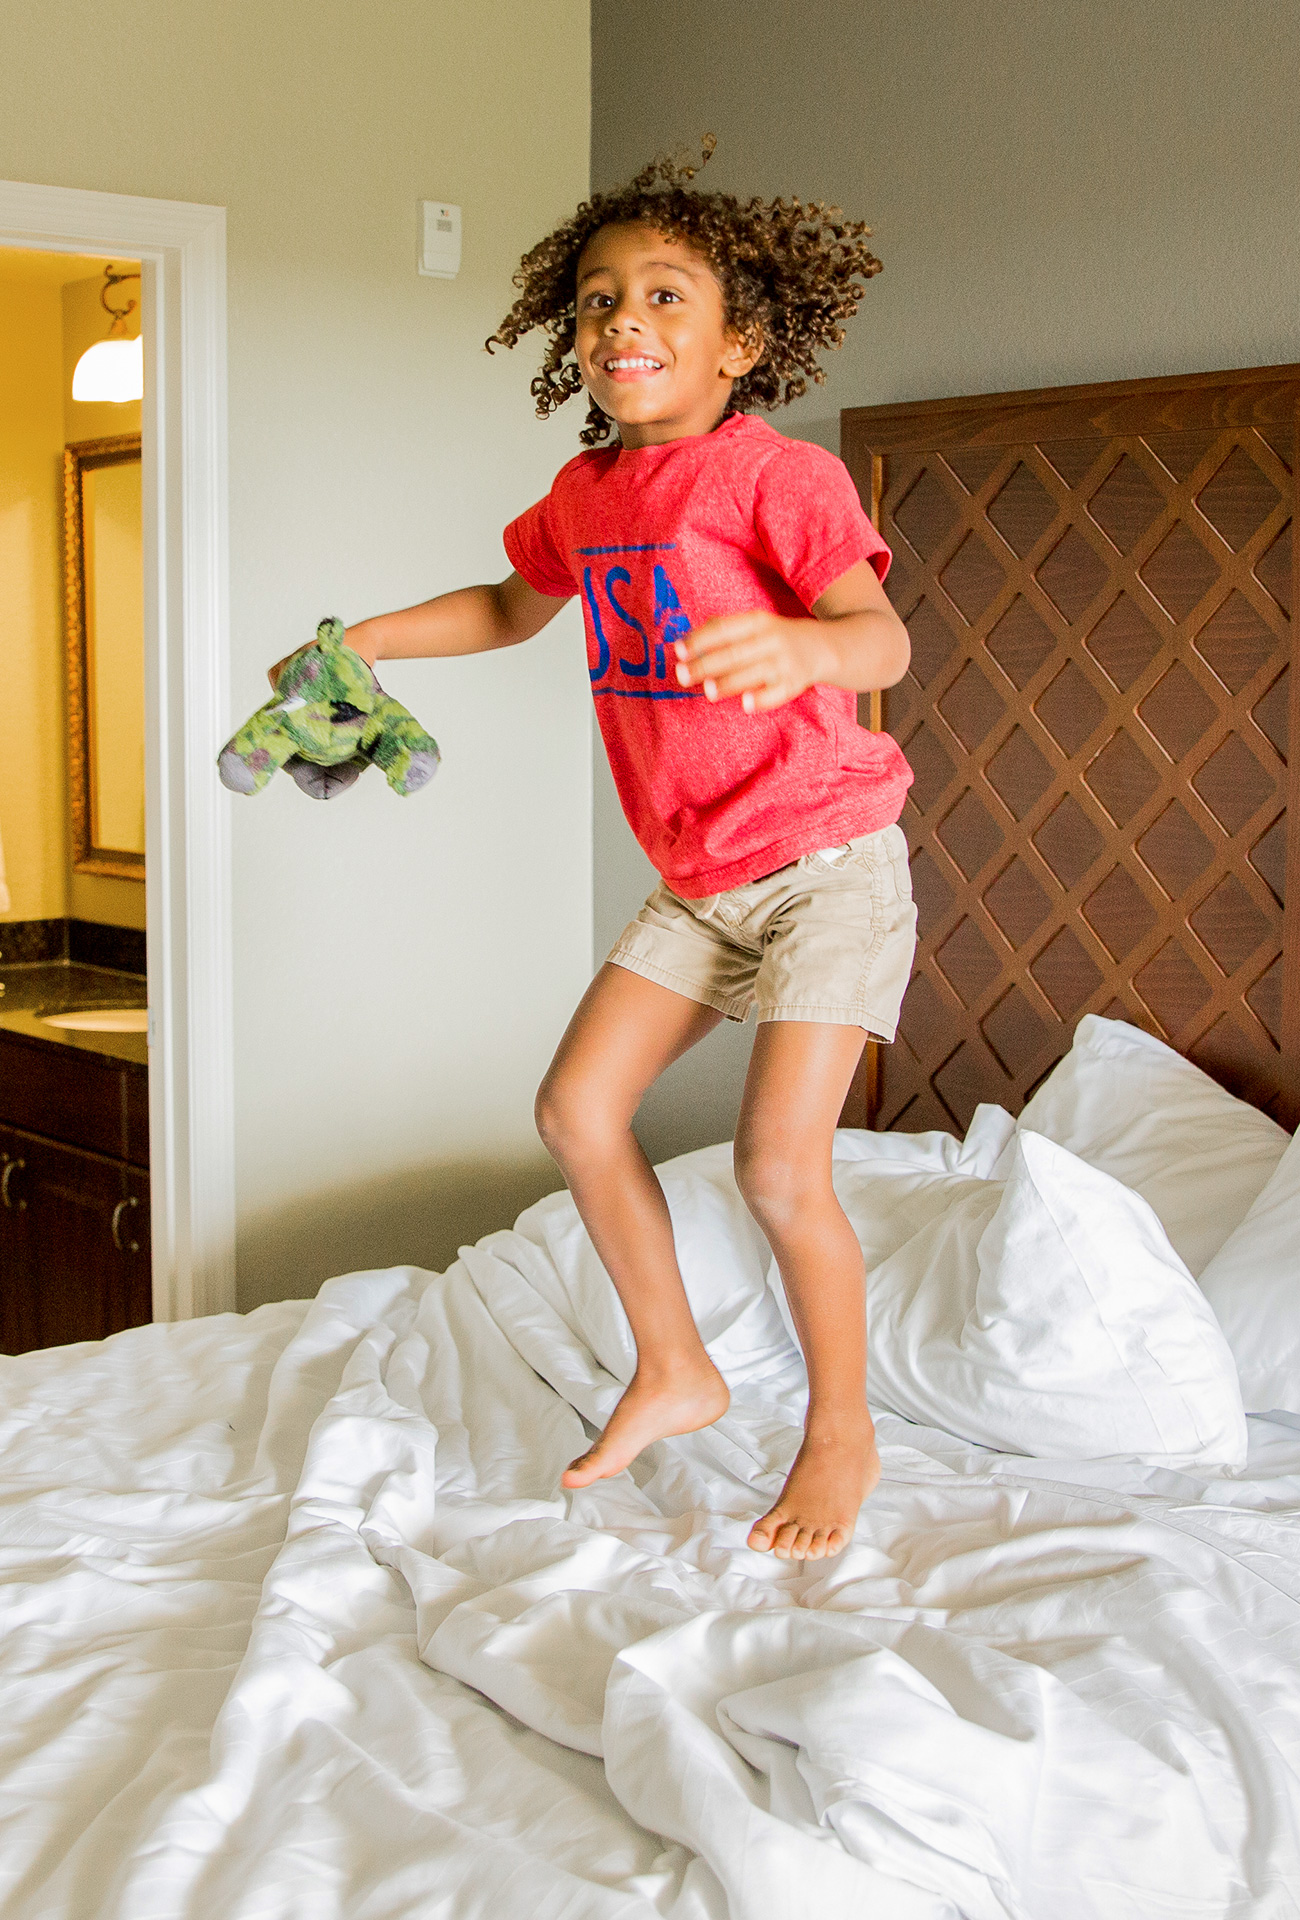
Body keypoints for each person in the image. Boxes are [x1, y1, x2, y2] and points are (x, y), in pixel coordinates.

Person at [269, 146, 914, 1562]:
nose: (623, 317)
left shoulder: (776, 476)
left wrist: (801, 644)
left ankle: (842, 1432)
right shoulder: (590, 494)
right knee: (576, 1111)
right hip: (701, 878)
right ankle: (676, 1367)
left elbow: (882, 639)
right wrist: (364, 641)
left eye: (666, 296)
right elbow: (512, 604)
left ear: (739, 342)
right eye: (598, 298)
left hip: (825, 864)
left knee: (777, 1169)